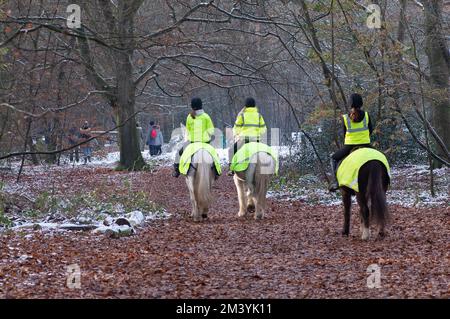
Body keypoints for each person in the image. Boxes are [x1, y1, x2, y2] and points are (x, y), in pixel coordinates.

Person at [328, 93, 374, 192]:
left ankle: (335, 182)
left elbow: (345, 134)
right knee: (381, 157)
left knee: (334, 158)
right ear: (361, 103)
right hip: (366, 144)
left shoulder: (346, 117)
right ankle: (387, 178)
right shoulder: (366, 115)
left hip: (350, 145)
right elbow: (371, 130)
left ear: (350, 103)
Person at [172, 97, 215, 177]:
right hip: (205, 142)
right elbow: (211, 131)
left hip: (192, 142)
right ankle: (216, 172)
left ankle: (176, 170)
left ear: (192, 106)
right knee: (215, 156)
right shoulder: (206, 116)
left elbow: (187, 131)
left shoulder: (189, 117)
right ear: (201, 105)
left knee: (179, 153)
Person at [228, 97, 267, 175]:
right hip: (256, 140)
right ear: (254, 105)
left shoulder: (242, 115)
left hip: (244, 139)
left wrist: (238, 134)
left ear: (245, 105)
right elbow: (263, 129)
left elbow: (236, 128)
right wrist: (257, 133)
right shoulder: (259, 116)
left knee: (231, 151)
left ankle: (231, 170)